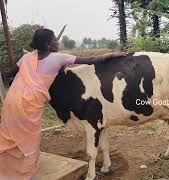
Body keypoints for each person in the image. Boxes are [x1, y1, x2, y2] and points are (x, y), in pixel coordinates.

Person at [0, 28, 127, 180]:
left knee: (10, 137)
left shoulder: (27, 58)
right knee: (27, 141)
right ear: (48, 44)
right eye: (55, 40)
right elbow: (90, 60)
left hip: (12, 101)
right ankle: (23, 175)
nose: (57, 42)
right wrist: (111, 55)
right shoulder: (57, 58)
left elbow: (8, 74)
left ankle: (7, 171)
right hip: (29, 105)